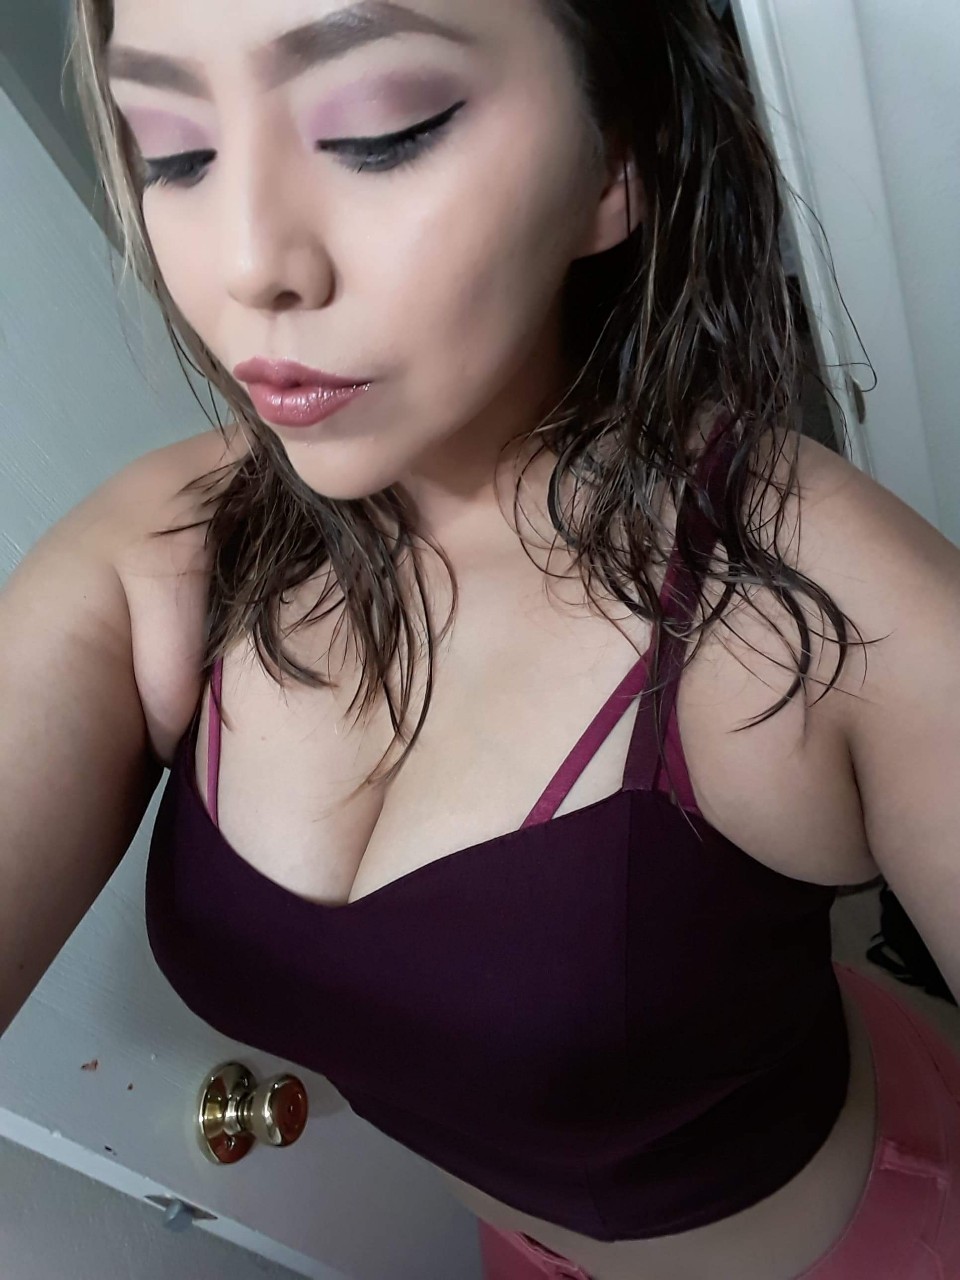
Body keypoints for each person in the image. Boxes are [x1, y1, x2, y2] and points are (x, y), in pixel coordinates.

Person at [2, 1, 959, 1277]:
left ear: (616, 152)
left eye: (381, 130)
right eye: (174, 151)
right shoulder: (161, 552)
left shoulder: (828, 604)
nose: (248, 263)